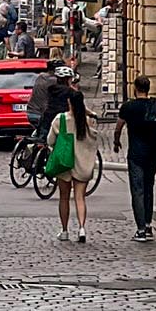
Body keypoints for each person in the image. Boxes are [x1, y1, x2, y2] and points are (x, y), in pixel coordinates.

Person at [114, 75, 156, 241]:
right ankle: (147, 225)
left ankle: (140, 229)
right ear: (148, 88)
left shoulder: (128, 107)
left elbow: (119, 127)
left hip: (136, 154)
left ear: (135, 88)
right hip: (152, 152)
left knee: (137, 190)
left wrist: (116, 142)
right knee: (149, 188)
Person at [47, 84, 98, 243]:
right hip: (82, 164)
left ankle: (64, 230)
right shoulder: (87, 121)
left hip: (64, 164)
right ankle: (82, 228)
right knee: (80, 197)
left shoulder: (60, 119)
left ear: (69, 102)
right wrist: (89, 112)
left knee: (64, 198)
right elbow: (95, 133)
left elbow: (50, 141)